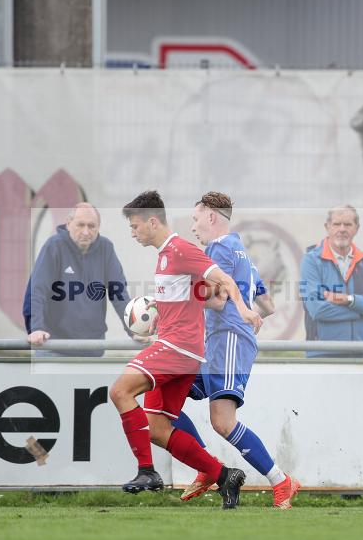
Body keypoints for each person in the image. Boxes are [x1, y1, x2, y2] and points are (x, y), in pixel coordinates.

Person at [108, 190, 262, 509]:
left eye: (135, 226)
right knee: (157, 427)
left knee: (120, 391)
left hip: (177, 348)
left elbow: (224, 281)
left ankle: (147, 472)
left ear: (152, 222)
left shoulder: (180, 249)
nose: (133, 233)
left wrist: (245, 310)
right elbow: (211, 297)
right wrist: (160, 314)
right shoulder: (166, 255)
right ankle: (224, 476)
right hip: (179, 347)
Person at [170, 192, 300, 509]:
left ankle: (280, 480)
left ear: (211, 216)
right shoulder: (242, 252)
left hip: (227, 340)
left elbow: (216, 299)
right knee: (167, 400)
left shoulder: (217, 248)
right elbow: (267, 306)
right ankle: (206, 467)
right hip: (220, 342)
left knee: (223, 422)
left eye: (196, 219)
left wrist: (177, 296)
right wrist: (247, 317)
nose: (193, 227)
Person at [24, 203, 130, 357]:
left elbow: (119, 294)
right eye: (80, 225)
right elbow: (37, 291)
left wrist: (133, 330)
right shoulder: (54, 246)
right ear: (68, 224)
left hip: (92, 348)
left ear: (98, 227)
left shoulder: (106, 248)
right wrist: (36, 328)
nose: (86, 232)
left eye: (91, 226)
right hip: (54, 347)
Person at [300, 205, 363, 358]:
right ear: (327, 227)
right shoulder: (311, 261)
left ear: (357, 228)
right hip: (322, 356)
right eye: (337, 224)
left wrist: (348, 299)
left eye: (348, 224)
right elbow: (317, 310)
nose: (342, 229)